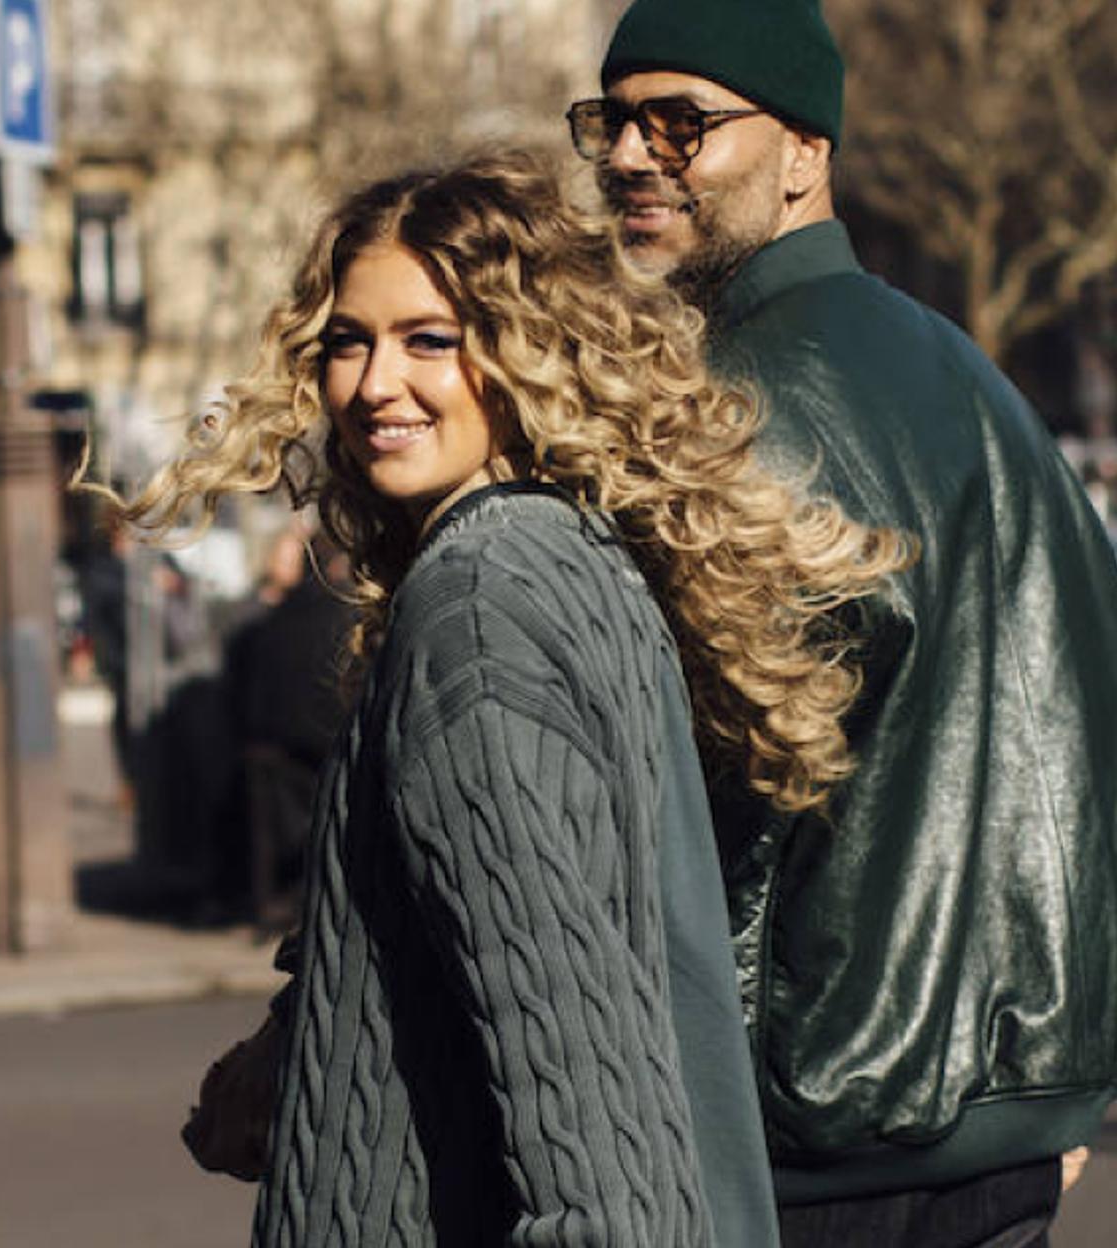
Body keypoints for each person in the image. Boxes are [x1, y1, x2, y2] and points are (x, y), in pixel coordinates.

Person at [120, 150, 910, 1246]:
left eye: (430, 341)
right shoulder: (566, 550)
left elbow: (585, 1116)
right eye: (351, 340)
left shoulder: (478, 614)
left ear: (527, 350)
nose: (375, 384)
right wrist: (302, 1055)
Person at [569, 2, 1117, 1244]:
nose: (628, 157)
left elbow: (691, 789)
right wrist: (1067, 1080)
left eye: (682, 123)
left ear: (805, 153)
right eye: (612, 122)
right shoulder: (968, 376)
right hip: (1000, 1118)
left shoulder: (737, 403)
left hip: (817, 1126)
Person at [221, 516, 356, 930]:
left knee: (277, 837)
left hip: (275, 740)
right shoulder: (340, 615)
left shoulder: (272, 618)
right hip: (318, 741)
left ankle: (274, 906)